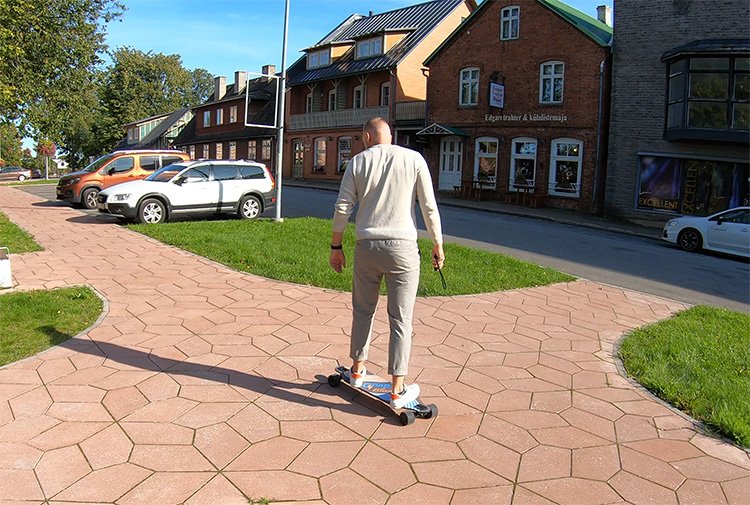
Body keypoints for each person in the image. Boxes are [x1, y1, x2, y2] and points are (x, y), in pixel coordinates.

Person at [329, 117, 444, 409]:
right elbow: (428, 206)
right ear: (389, 136)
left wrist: (336, 246)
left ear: (367, 136)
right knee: (401, 318)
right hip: (403, 247)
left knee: (363, 310)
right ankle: (397, 388)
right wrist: (437, 243)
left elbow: (343, 206)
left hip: (367, 245)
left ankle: (357, 370)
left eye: (362, 137)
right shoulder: (414, 159)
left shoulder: (357, 163)